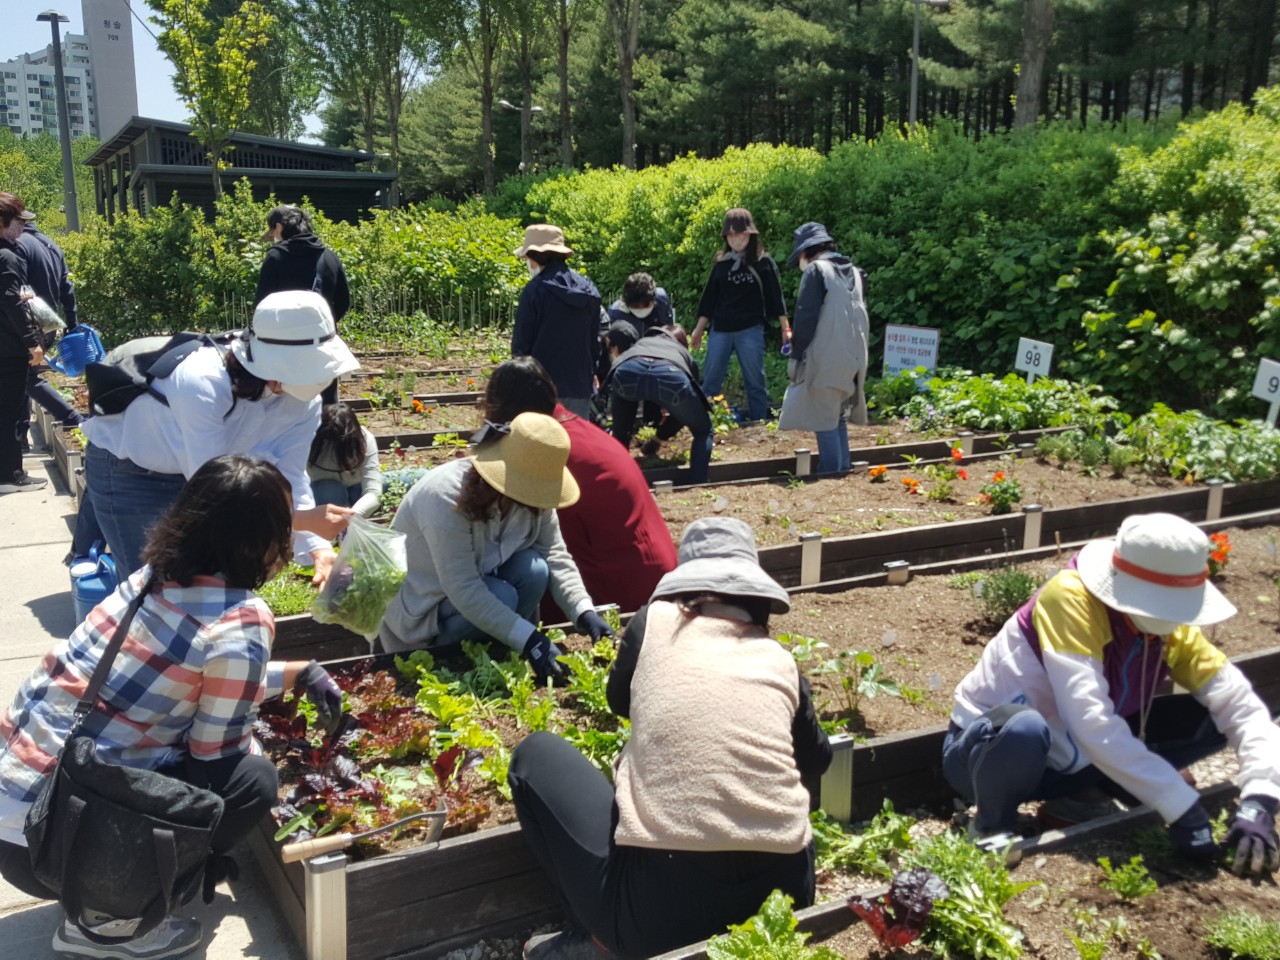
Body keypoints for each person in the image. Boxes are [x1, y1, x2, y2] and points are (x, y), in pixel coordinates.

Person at [0, 455, 345, 960]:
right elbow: (215, 757)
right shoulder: (240, 620)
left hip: (20, 819)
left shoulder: (152, 577)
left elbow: (193, 676)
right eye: (281, 528)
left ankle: (101, 894)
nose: (286, 544)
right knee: (253, 779)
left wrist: (297, 673)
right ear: (258, 542)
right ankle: (115, 922)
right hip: (53, 843)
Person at [509, 517, 832, 959]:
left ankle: (599, 938)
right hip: (782, 909)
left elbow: (619, 701)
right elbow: (818, 759)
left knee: (534, 754)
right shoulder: (778, 660)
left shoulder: (655, 621)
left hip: (659, 918)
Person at [945, 513, 1280, 876]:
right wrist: (1181, 806)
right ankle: (991, 828)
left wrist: (1260, 796)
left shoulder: (1172, 631)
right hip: (990, 756)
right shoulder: (1071, 600)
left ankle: (1079, 800)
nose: (1170, 620)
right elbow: (1091, 722)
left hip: (1077, 760)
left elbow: (1241, 706)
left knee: (1211, 717)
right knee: (1023, 728)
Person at [80, 290, 360, 581]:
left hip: (202, 476)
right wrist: (301, 521)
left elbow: (290, 475)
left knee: (207, 579)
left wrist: (317, 546)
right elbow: (215, 493)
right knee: (153, 584)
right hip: (133, 474)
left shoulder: (304, 401)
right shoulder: (203, 381)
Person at [377, 411, 614, 682]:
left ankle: (501, 647)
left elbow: (555, 554)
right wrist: (530, 639)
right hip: (425, 611)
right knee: (503, 595)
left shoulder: (536, 499)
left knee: (535, 569)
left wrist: (583, 611)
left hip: (479, 591)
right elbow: (463, 587)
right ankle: (457, 658)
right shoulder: (444, 497)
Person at [476, 357, 677, 620]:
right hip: (657, 574)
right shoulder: (578, 430)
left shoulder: (543, 449)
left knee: (517, 568)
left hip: (624, 592)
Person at [778, 222, 869, 474]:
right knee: (835, 414)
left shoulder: (816, 271)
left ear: (806, 252)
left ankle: (831, 471)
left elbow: (806, 318)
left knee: (823, 417)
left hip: (827, 355)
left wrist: (796, 356)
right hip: (855, 357)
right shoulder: (855, 272)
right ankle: (841, 466)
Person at [690, 208, 790, 423]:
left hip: (750, 329)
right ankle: (707, 424)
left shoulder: (764, 262)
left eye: (742, 234)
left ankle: (758, 424)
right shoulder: (721, 264)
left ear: (751, 235)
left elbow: (776, 297)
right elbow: (709, 300)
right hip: (721, 329)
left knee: (755, 380)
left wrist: (786, 327)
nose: (737, 239)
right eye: (732, 235)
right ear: (726, 237)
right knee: (711, 381)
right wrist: (698, 330)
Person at [254, 205, 351, 405]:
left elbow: (262, 306)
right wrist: (320, 326)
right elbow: (343, 301)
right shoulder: (328, 256)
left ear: (279, 228)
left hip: (283, 351)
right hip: (322, 346)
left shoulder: (275, 257)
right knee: (327, 405)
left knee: (286, 409)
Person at [511, 225, 601, 420]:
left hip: (541, 387)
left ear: (534, 258)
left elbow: (521, 346)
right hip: (579, 384)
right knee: (575, 445)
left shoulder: (534, 291)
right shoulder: (589, 290)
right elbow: (594, 341)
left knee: (543, 444)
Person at [606, 323, 714, 484]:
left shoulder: (641, 344)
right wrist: (662, 434)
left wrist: (657, 438)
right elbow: (684, 415)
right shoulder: (683, 353)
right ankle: (698, 483)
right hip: (671, 376)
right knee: (703, 431)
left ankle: (617, 481)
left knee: (621, 434)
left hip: (627, 371)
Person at [16, 208, 82, 450]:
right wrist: (71, 324)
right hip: (48, 322)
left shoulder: (18, 246)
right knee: (22, 377)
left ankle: (71, 418)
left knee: (25, 377)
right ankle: (19, 436)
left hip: (26, 323)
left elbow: (16, 290)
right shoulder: (50, 244)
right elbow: (68, 288)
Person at [0, 192, 47, 494]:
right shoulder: (5, 257)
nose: (21, 227)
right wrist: (33, 343)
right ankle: (10, 475)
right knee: (11, 411)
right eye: (18, 220)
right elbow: (13, 303)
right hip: (8, 350)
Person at [308, 403, 382, 518]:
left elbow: (373, 491)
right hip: (325, 494)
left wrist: (351, 517)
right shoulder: (309, 440)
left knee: (410, 478)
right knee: (329, 488)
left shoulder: (365, 439)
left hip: (358, 492)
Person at [604, 272, 674, 343]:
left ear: (654, 300)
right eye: (635, 306)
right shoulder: (615, 314)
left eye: (646, 305)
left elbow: (669, 331)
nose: (641, 310)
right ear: (626, 303)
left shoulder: (662, 300)